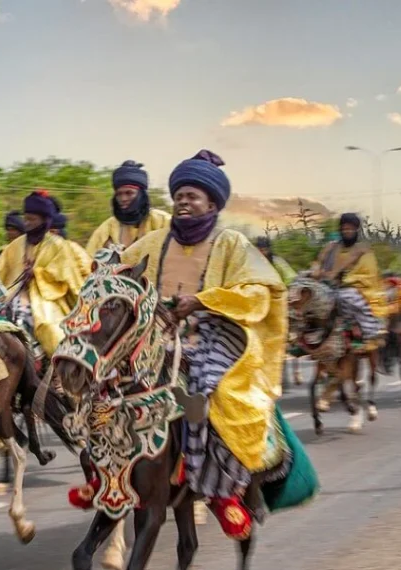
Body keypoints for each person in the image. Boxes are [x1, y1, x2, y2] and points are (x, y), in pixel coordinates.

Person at [119, 149, 288, 539]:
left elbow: (259, 294)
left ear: (211, 204)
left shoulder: (232, 244)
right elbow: (118, 271)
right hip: (153, 333)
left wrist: (203, 301)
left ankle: (225, 490)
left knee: (208, 389)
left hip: (212, 331)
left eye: (192, 196)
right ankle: (107, 477)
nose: (183, 201)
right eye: (179, 195)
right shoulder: (153, 242)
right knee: (105, 381)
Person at [0, 189, 89, 362]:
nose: (27, 223)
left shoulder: (58, 245)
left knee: (50, 329)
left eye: (32, 219)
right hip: (12, 295)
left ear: (44, 220)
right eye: (26, 218)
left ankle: (57, 368)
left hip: (46, 301)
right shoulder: (16, 244)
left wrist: (37, 274)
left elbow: (67, 278)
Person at [309, 213, 387, 348]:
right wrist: (315, 270)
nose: (347, 231)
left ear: (356, 230)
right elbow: (318, 261)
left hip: (354, 287)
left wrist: (344, 279)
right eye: (344, 228)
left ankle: (359, 330)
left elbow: (367, 273)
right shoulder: (331, 247)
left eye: (350, 228)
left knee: (345, 296)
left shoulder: (362, 249)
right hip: (327, 284)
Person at [85, 160, 170, 255]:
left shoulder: (163, 221)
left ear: (141, 194)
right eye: (119, 194)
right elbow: (89, 259)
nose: (123, 199)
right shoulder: (107, 228)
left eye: (129, 193)